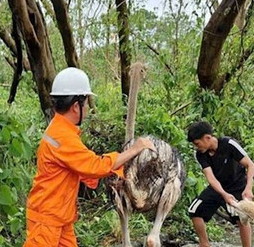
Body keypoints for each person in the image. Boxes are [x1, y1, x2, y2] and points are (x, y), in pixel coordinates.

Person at [23, 67, 155, 247]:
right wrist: (135, 149)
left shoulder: (61, 130)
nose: (87, 108)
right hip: (47, 220)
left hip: (60, 217)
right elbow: (95, 166)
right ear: (76, 106)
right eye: (86, 103)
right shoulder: (62, 136)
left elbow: (76, 165)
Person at [187, 121, 254, 247]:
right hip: (217, 187)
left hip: (237, 186)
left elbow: (250, 165)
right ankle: (204, 244)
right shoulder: (200, 154)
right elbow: (211, 177)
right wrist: (224, 194)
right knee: (194, 210)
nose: (196, 147)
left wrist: (248, 188)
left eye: (197, 143)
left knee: (242, 218)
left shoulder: (229, 144)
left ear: (207, 138)